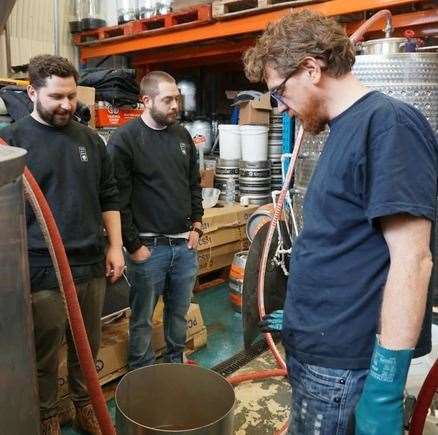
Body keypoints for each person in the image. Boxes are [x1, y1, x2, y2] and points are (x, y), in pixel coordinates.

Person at [244, 10, 438, 435]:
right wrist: (299, 315)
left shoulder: (389, 125)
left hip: (343, 362)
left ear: (311, 69)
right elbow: (342, 241)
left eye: (279, 92)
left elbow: (413, 261)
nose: (282, 107)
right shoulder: (341, 128)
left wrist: (385, 388)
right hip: (317, 343)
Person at [0, 54, 125, 435]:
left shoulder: (89, 139)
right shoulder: (13, 142)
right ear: (32, 91)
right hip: (42, 266)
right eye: (56, 96)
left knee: (85, 346)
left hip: (89, 263)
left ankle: (85, 404)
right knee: (45, 349)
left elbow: (109, 196)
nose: (67, 105)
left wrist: (115, 246)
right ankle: (48, 414)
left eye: (71, 96)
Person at [107, 71, 203, 369]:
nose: (175, 105)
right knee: (143, 317)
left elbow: (193, 184)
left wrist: (197, 225)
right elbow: (116, 199)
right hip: (149, 249)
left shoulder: (182, 136)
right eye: (168, 100)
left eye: (177, 98)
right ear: (146, 101)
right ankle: (142, 371)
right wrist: (133, 246)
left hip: (183, 245)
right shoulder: (125, 140)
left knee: (179, 311)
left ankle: (176, 361)